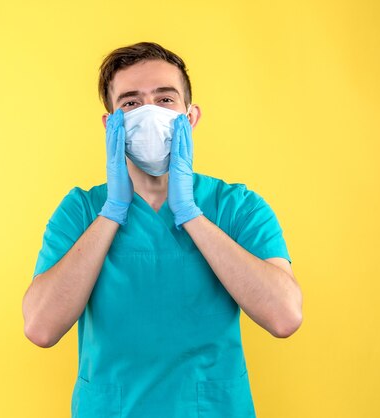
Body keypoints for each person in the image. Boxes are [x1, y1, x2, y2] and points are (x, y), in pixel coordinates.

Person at [22, 41, 303, 418]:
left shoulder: (236, 207)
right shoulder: (81, 211)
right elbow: (40, 328)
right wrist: (112, 212)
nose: (150, 112)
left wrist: (189, 213)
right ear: (111, 125)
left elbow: (285, 316)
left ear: (190, 117)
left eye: (165, 99)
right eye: (131, 103)